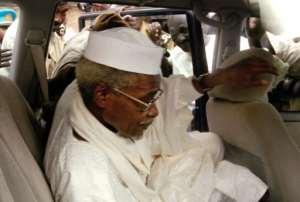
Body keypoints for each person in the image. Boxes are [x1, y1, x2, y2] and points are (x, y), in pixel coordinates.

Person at [44, 14, 278, 201]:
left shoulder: (83, 87)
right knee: (219, 177)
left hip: (141, 177)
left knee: (214, 156)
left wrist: (215, 79)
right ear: (103, 95)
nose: (155, 110)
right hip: (140, 188)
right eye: (147, 100)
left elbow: (166, 90)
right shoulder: (86, 178)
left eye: (155, 97)